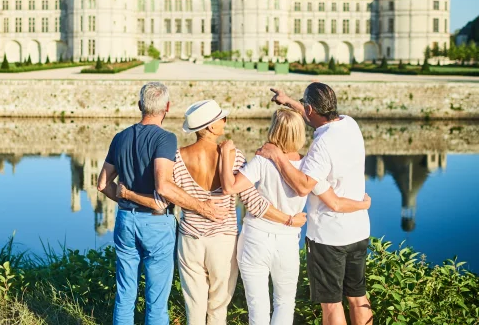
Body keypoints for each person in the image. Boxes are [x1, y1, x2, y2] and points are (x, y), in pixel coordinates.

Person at [118, 99, 307, 325]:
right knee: (218, 308)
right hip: (223, 242)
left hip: (190, 240)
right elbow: (252, 201)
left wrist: (128, 194)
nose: (225, 122)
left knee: (194, 307)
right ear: (210, 126)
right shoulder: (233, 156)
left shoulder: (177, 157)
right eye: (222, 119)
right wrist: (289, 219)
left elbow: (162, 199)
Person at [219, 108, 371, 325]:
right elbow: (334, 201)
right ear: (300, 133)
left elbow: (231, 187)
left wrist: (226, 155)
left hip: (255, 237)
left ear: (274, 130)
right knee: (285, 303)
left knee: (257, 306)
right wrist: (362, 204)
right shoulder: (309, 167)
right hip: (287, 241)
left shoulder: (263, 160)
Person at [97, 83, 228, 325]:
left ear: (140, 106)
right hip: (156, 223)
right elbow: (164, 187)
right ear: (167, 107)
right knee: (156, 300)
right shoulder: (165, 139)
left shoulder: (120, 137)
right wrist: (204, 207)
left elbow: (103, 183)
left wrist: (126, 197)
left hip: (126, 220)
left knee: (125, 294)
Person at [257, 83, 373, 325]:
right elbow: (314, 115)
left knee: (331, 304)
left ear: (310, 109)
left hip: (328, 237)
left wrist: (277, 156)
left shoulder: (322, 145)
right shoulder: (350, 124)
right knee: (358, 297)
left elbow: (303, 185)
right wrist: (289, 101)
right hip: (359, 230)